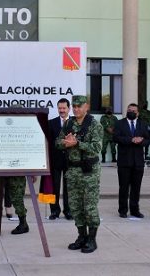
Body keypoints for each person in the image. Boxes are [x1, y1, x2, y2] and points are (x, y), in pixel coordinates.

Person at [55, 95, 103, 253]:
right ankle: (81, 236)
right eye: (74, 106)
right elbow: (57, 142)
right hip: (73, 171)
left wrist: (77, 143)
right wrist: (64, 142)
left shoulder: (95, 125)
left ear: (86, 107)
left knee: (89, 207)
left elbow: (96, 148)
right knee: (75, 207)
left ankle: (92, 239)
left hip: (89, 172)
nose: (76, 109)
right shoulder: (69, 123)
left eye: (79, 106)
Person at [113, 103, 150, 218]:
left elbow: (148, 140)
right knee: (123, 187)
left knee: (136, 187)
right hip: (124, 161)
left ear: (137, 113)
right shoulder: (120, 123)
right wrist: (131, 139)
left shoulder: (143, 124)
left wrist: (141, 140)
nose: (131, 112)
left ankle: (135, 210)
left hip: (138, 161)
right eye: (129, 110)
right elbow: (116, 138)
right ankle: (123, 210)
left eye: (134, 111)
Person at [48, 98, 72, 220]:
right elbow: (48, 142)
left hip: (70, 161)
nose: (62, 110)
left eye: (64, 108)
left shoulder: (75, 123)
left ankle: (68, 211)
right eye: (60, 108)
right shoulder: (51, 123)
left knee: (69, 188)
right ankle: (54, 211)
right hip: (55, 161)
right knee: (54, 188)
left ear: (69, 108)